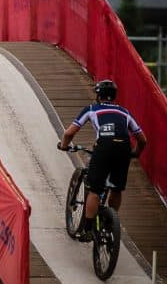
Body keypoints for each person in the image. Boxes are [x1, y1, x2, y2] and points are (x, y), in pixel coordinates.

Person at [58, 79, 147, 241]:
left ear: (99, 96)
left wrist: (64, 146)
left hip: (104, 148)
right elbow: (142, 140)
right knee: (116, 188)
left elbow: (69, 133)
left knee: (95, 190)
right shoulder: (124, 112)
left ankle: (88, 229)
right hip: (123, 149)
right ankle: (110, 222)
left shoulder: (92, 109)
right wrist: (135, 154)